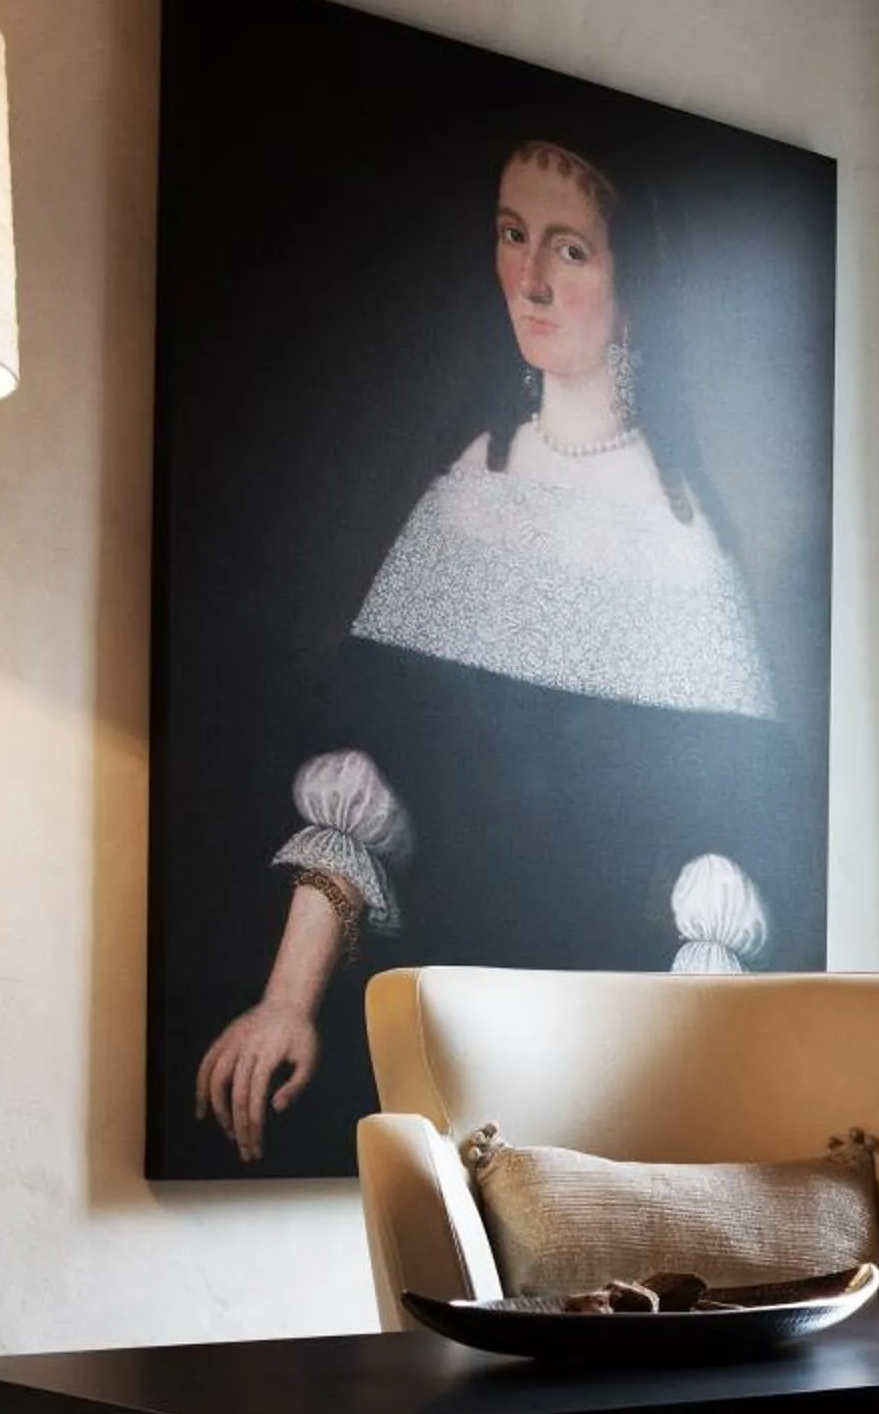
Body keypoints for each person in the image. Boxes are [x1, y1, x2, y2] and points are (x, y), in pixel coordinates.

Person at [195, 138, 815, 1163]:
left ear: (631, 286)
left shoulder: (684, 549)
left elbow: (723, 882)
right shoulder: (464, 494)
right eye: (512, 237)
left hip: (615, 1092)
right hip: (429, 1058)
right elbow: (363, 782)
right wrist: (283, 1004)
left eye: (568, 251)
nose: (528, 280)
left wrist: (689, 1141)